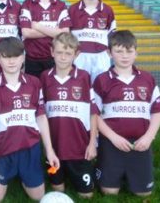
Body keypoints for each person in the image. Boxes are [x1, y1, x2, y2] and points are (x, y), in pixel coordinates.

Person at [0, 37, 60, 202]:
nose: (11, 61)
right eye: (6, 57)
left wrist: (49, 150)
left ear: (23, 57)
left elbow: (41, 117)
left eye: (16, 56)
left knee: (38, 196)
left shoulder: (34, 83)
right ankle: (0, 170)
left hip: (29, 149)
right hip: (3, 149)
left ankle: (23, 174)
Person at [93, 30, 160, 197]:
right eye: (119, 51)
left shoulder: (147, 79)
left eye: (129, 51)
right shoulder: (102, 80)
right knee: (109, 191)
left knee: (143, 193)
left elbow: (157, 110)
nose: (124, 56)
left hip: (140, 142)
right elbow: (94, 113)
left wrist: (148, 137)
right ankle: (115, 173)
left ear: (136, 53)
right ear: (109, 53)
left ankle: (132, 173)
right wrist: (112, 137)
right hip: (112, 141)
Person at [40, 33, 98, 198]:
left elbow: (93, 112)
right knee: (58, 190)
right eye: (59, 52)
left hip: (79, 148)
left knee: (86, 195)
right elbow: (40, 113)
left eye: (68, 53)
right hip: (54, 147)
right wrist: (46, 146)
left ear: (76, 54)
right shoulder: (45, 77)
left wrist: (92, 143)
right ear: (52, 52)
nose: (63, 57)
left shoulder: (84, 77)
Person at [19, 0, 71, 78]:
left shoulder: (61, 6)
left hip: (54, 59)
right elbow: (26, 33)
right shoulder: (27, 4)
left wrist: (38, 26)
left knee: (51, 94)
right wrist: (54, 31)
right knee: (33, 94)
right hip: (32, 60)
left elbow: (64, 33)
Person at [68, 0, 117, 83]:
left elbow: (112, 35)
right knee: (80, 89)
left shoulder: (108, 10)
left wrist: (109, 54)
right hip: (79, 57)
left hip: (101, 57)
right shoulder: (72, 10)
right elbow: (67, 36)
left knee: (101, 90)